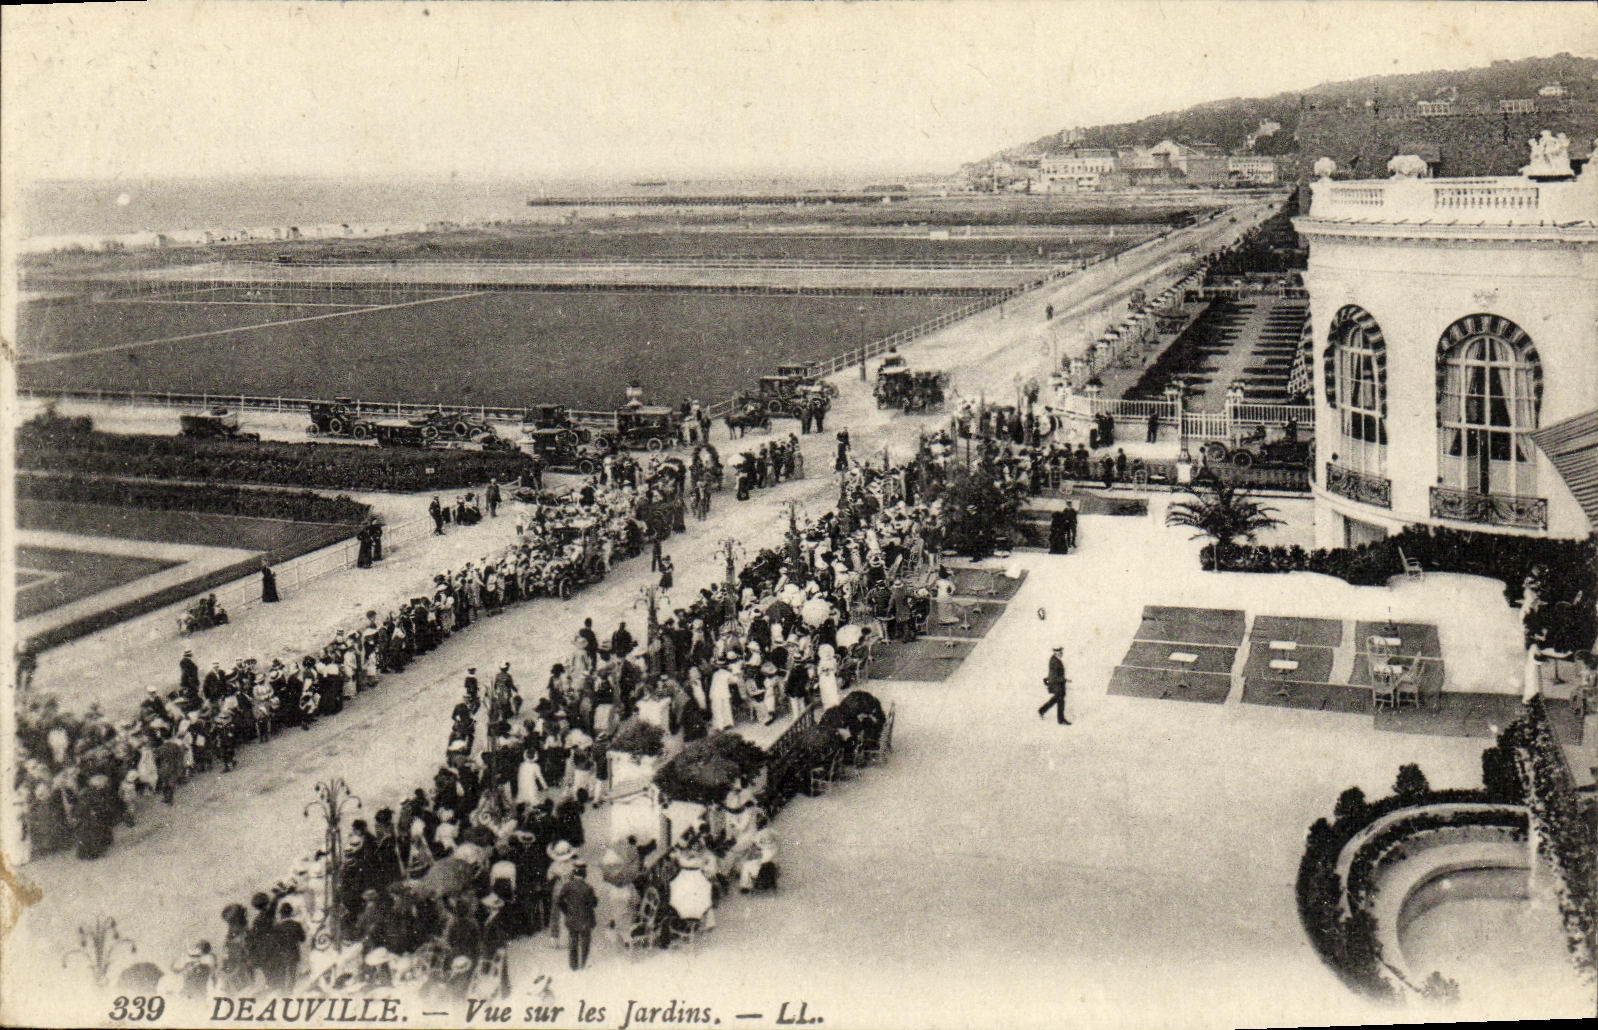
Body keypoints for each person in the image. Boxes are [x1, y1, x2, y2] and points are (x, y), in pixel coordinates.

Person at [556, 862, 599, 971]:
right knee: (585, 942)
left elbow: (560, 901)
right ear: (584, 874)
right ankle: (583, 963)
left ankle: (573, 965)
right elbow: (593, 904)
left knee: (573, 941)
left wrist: (567, 911)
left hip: (572, 918)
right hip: (586, 919)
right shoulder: (588, 887)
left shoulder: (567, 886)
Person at [1038, 646, 1070, 725]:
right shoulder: (1054, 661)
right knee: (1059, 700)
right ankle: (1060, 719)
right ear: (1055, 652)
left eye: (1061, 652)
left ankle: (1042, 710)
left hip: (1058, 684)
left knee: (1057, 700)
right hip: (1056, 685)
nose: (1061, 653)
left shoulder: (1055, 660)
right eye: (1059, 652)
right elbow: (1054, 677)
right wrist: (1064, 679)